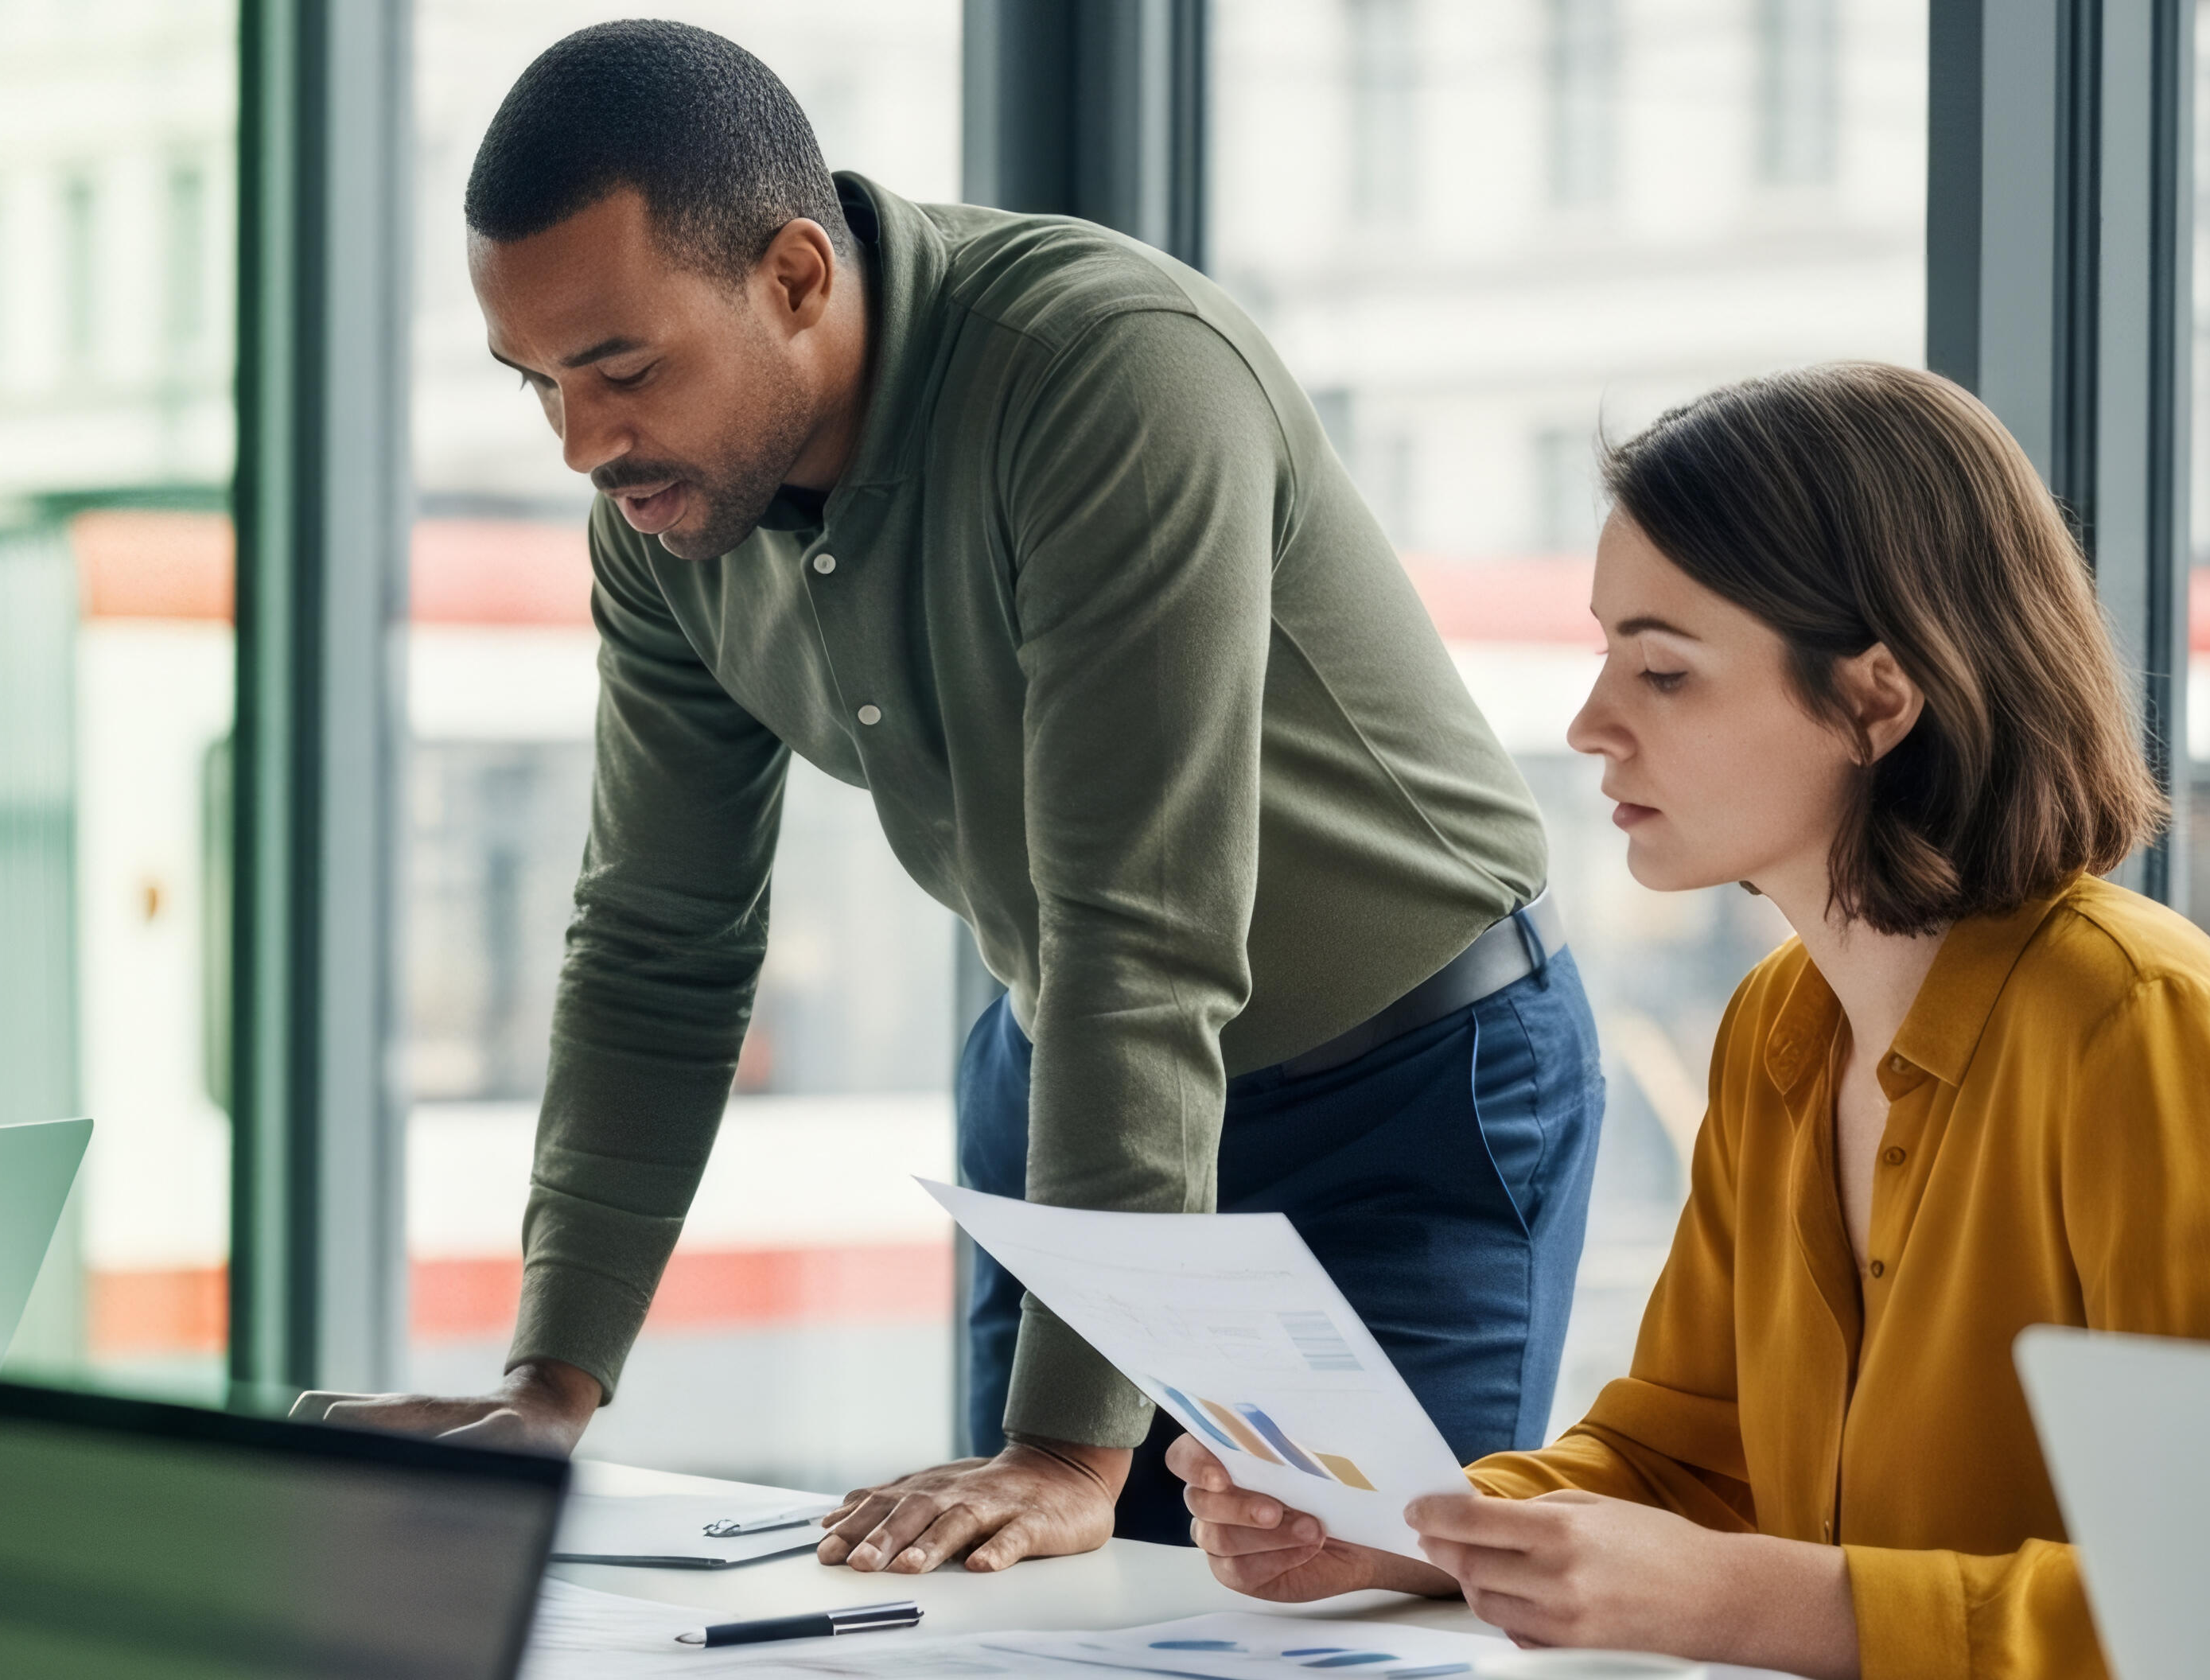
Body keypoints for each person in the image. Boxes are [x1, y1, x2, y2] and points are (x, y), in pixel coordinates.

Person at [326, 21, 1599, 1574]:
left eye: (622, 369)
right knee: (1022, 1623)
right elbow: (657, 943)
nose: (585, 444)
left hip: (1401, 1099)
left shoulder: (1108, 376)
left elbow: (1142, 923)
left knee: (1363, 1621)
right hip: (1071, 1090)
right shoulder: (663, 517)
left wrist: (1065, 1449)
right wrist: (547, 1390)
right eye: (536, 384)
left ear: (793, 277)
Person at [1175, 362, 2210, 1678]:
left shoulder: (2138, 1020)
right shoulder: (1779, 1024)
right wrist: (1409, 1535)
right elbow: (1680, 1457)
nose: (1590, 725)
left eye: (1663, 672)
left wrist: (1745, 1605)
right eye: (1606, 656)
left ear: (1875, 699)